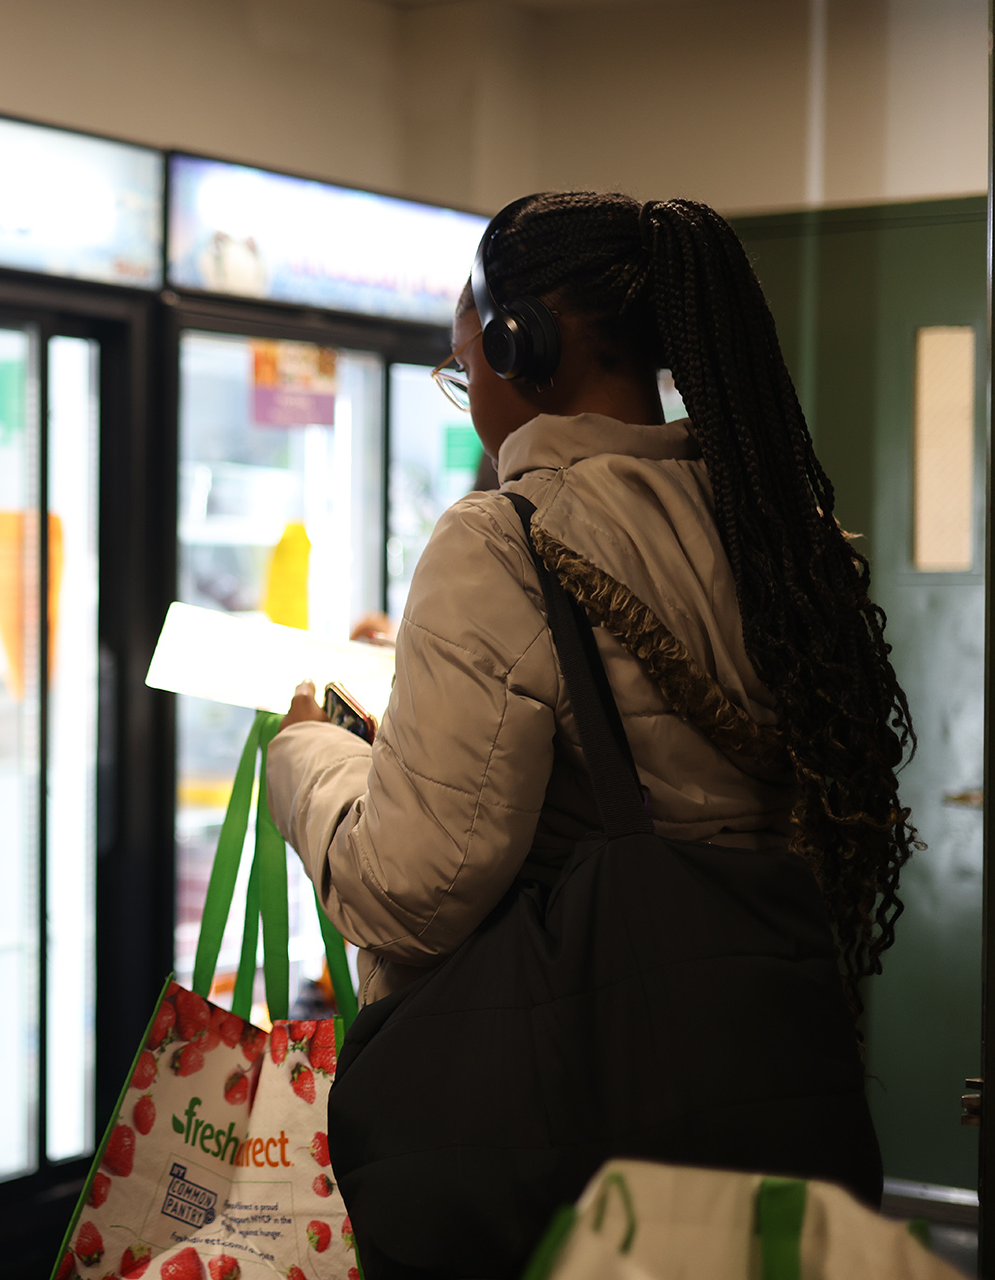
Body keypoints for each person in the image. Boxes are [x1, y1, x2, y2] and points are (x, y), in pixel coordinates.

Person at [267, 193, 910, 1267]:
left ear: (521, 349)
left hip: (580, 1141)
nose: (468, 391)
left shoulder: (501, 541)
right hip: (771, 1095)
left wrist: (307, 751)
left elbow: (411, 885)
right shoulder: (780, 537)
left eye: (461, 363)